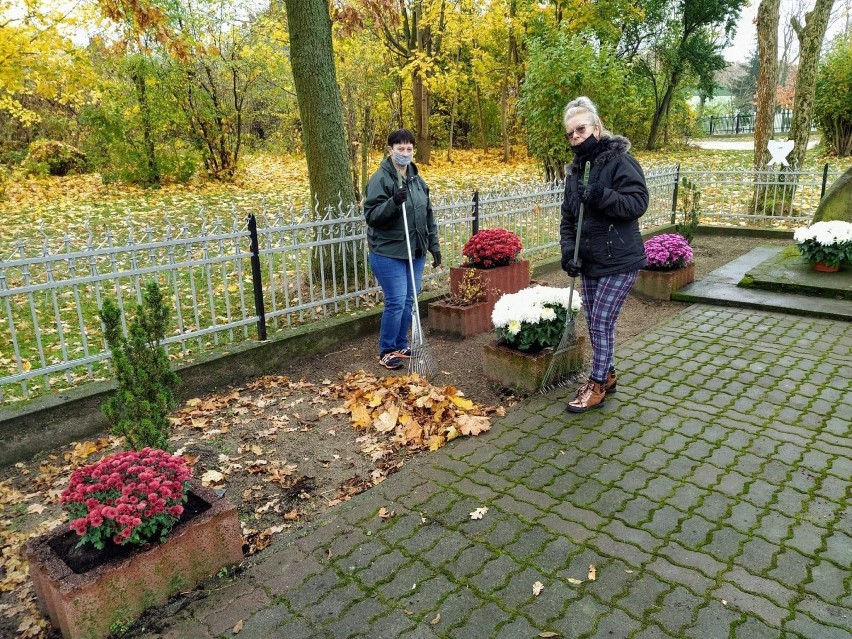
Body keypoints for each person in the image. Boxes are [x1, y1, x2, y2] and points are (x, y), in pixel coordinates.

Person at [559, 96, 648, 413]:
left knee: (600, 323)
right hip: (590, 262)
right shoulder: (575, 171)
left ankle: (595, 385)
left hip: (620, 259)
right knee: (597, 323)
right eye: (570, 134)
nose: (575, 138)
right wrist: (569, 251)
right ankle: (607, 375)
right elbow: (568, 219)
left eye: (580, 130)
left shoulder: (620, 161)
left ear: (596, 127)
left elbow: (637, 203)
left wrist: (600, 194)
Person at [364, 129, 441, 370]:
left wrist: (433, 246)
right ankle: (387, 350)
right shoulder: (381, 179)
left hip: (414, 250)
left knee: (409, 300)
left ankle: (401, 343)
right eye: (400, 149)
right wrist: (393, 202)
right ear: (390, 150)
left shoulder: (418, 180)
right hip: (387, 252)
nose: (405, 153)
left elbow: (428, 216)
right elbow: (372, 216)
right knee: (396, 301)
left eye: (409, 149)